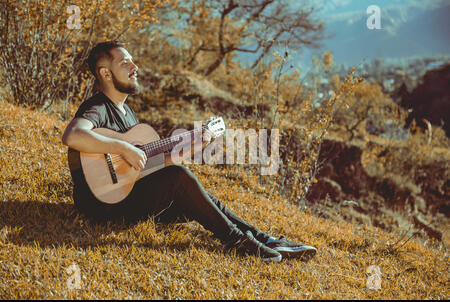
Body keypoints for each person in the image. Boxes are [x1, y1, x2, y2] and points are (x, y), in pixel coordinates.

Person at [62, 40, 317, 262]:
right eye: (125, 62)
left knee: (203, 199)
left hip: (122, 197)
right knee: (179, 177)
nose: (134, 67)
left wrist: (193, 145)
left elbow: (147, 166)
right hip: (100, 206)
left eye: (132, 61)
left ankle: (267, 239)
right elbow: (73, 135)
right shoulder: (97, 106)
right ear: (106, 73)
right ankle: (238, 243)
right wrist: (120, 146)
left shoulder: (128, 114)